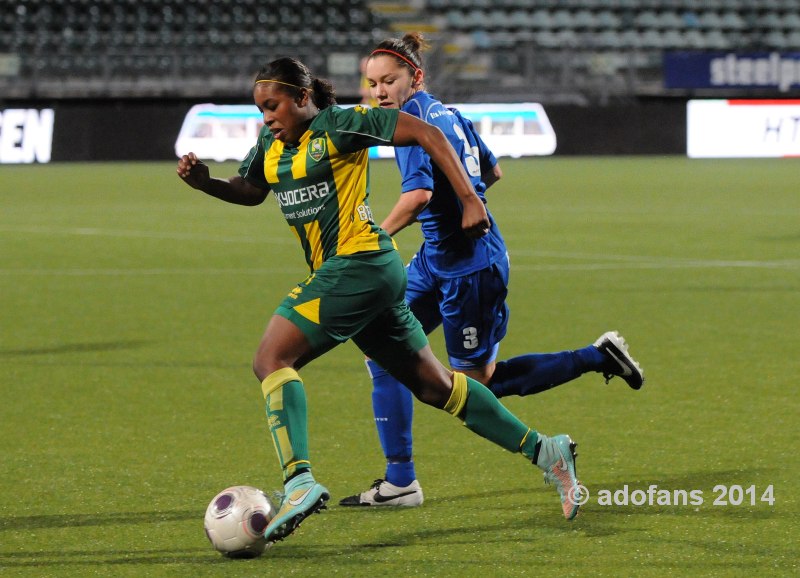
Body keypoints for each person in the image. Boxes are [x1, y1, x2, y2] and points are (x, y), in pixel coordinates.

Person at [176, 57, 585, 543]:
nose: (267, 117)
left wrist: (471, 199)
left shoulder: (343, 124)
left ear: (303, 98)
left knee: (272, 358)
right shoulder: (270, 143)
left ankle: (299, 481)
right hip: (364, 277)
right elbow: (249, 190)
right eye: (261, 109)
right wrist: (207, 184)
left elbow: (426, 135)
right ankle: (546, 450)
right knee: (436, 387)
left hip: (360, 263)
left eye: (273, 106)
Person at [339, 33, 644, 509]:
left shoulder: (412, 119)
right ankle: (400, 482)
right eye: (372, 82)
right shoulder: (451, 114)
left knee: (476, 383)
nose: (378, 91)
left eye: (389, 81)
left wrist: (372, 238)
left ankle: (597, 357)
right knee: (382, 350)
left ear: (414, 77)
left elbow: (418, 195)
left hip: (470, 269)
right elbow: (492, 172)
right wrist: (460, 208)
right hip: (436, 259)